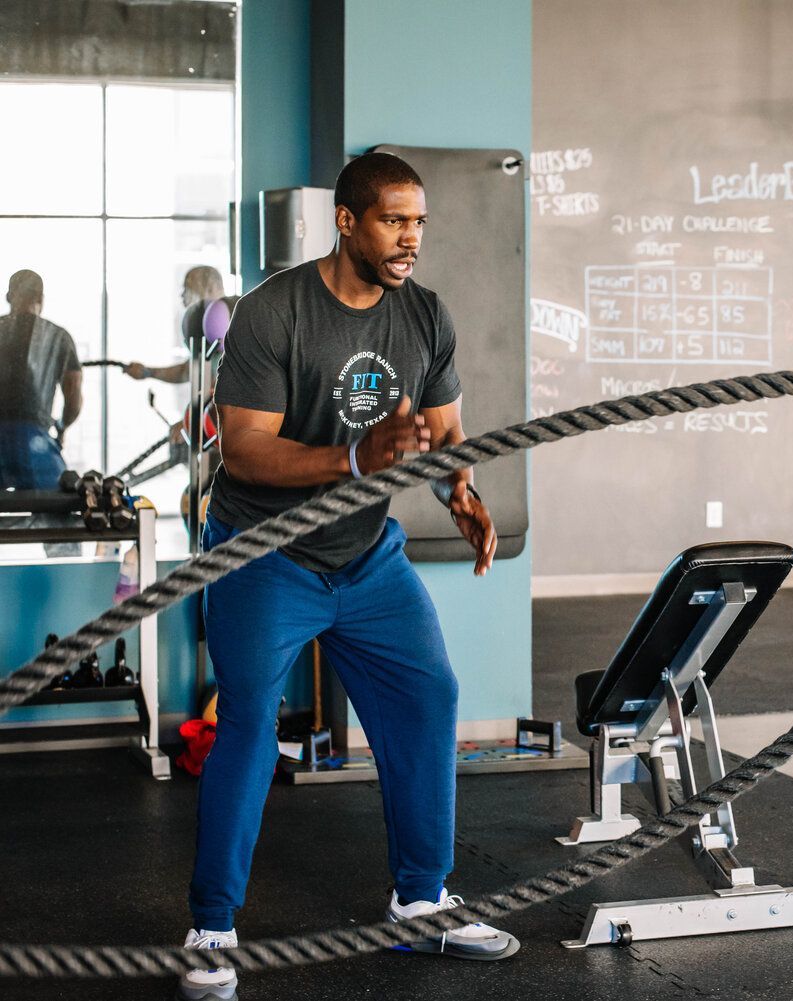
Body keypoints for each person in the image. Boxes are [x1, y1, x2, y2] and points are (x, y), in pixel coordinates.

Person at [177, 152, 508, 1001]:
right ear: (347, 221)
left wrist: (461, 493)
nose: (411, 239)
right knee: (248, 725)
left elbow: (445, 433)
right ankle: (211, 928)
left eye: (419, 223)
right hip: (264, 552)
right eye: (395, 221)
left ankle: (421, 901)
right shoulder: (274, 312)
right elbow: (245, 450)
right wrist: (358, 458)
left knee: (428, 694)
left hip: (365, 557)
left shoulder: (424, 315)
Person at [0, 270, 83, 558]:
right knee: (63, 523)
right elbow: (73, 397)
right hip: (34, 444)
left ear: (8, 296)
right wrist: (61, 428)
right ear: (41, 299)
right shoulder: (59, 337)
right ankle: (68, 580)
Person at [123, 265, 226, 385]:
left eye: (188, 288)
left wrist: (149, 372)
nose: (182, 295)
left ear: (211, 288)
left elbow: (188, 371)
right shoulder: (204, 329)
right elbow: (189, 370)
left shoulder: (231, 323)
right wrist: (147, 372)